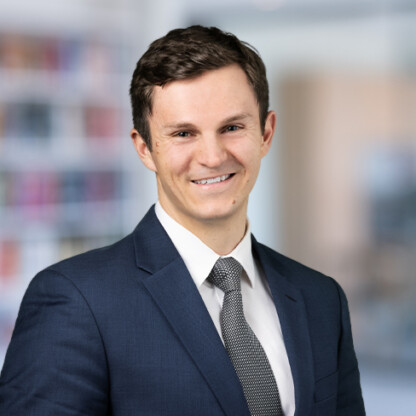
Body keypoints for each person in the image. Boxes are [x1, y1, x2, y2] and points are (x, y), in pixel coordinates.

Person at [0, 26, 365, 415]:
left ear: (266, 132)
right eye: (184, 133)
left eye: (232, 127)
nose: (211, 156)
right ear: (144, 149)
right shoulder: (76, 300)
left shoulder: (320, 299)